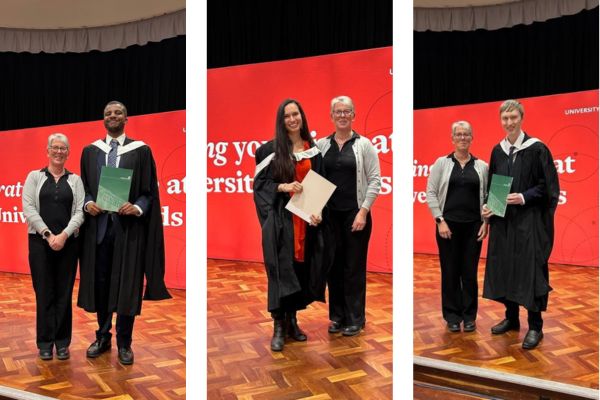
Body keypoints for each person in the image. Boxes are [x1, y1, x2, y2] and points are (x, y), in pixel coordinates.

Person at [78, 100, 171, 365]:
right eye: (108, 113)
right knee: (101, 284)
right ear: (103, 119)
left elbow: (148, 192)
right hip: (99, 229)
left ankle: (124, 342)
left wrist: (137, 208)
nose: (113, 116)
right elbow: (83, 187)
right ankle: (103, 336)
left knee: (128, 284)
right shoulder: (90, 152)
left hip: (128, 230)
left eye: (118, 112)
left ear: (126, 118)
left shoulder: (140, 151)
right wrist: (88, 203)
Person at [482, 99, 560, 350]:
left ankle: (535, 326)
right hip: (504, 222)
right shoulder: (498, 150)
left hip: (528, 222)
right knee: (506, 267)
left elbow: (547, 186)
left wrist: (524, 197)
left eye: (513, 117)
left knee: (531, 271)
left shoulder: (537, 149)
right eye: (505, 118)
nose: (509, 122)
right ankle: (512, 318)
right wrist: (489, 207)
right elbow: (495, 184)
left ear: (521, 118)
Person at [253, 98, 329, 352]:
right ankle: (278, 326)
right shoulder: (269, 151)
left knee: (300, 270)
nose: (292, 119)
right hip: (281, 221)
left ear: (302, 117)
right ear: (281, 120)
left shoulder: (313, 149)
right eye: (287, 116)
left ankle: (293, 321)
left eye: (296, 114)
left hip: (305, 220)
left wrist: (317, 210)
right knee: (280, 270)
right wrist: (283, 187)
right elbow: (260, 187)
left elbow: (319, 184)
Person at [316, 95, 381, 336]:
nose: (342, 116)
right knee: (333, 267)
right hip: (329, 217)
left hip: (356, 216)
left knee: (353, 268)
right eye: (338, 112)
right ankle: (338, 317)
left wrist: (363, 212)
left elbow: (375, 180)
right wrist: (313, 210)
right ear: (331, 116)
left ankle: (356, 318)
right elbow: (315, 179)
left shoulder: (364, 145)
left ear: (354, 115)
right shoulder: (322, 145)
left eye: (347, 112)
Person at [22, 133, 85, 360]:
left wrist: (64, 235)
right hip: (40, 244)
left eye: (63, 148)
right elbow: (28, 208)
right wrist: (49, 235)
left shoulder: (75, 180)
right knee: (44, 292)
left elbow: (80, 212)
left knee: (64, 293)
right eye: (55, 148)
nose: (59, 152)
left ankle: (62, 342)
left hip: (68, 245)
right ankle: (45, 342)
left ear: (68, 153)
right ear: (47, 151)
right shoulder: (34, 177)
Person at [426, 121, 489, 333]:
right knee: (450, 272)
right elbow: (431, 193)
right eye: (459, 134)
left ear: (472, 138)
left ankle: (469, 316)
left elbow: (489, 198)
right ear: (452, 138)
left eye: (466, 135)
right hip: (447, 227)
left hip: (473, 228)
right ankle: (452, 315)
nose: (463, 138)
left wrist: (486, 222)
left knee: (469, 273)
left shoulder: (482, 167)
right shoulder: (441, 163)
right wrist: (439, 220)